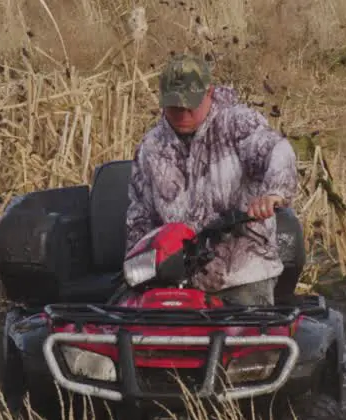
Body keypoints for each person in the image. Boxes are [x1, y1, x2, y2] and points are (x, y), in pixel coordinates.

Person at [125, 54, 298, 306]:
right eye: (175, 106)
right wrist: (138, 271)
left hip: (240, 277)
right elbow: (139, 216)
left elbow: (278, 150)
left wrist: (274, 192)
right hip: (174, 282)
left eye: (189, 105)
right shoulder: (151, 147)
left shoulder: (237, 123)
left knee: (247, 341)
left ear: (209, 93)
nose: (183, 113)